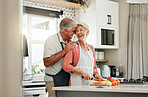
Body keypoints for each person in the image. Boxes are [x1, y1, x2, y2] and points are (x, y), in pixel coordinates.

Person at [43, 18, 77, 97]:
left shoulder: (70, 41)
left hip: (66, 81)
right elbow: (47, 62)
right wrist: (65, 50)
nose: (74, 33)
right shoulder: (51, 41)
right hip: (53, 82)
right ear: (65, 30)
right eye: (73, 31)